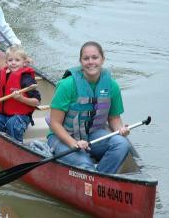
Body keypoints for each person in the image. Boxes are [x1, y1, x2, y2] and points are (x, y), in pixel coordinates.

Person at [47, 41, 131, 174]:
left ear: (102, 59)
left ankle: (102, 177)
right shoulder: (67, 85)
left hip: (93, 134)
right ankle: (91, 174)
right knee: (84, 163)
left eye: (95, 57)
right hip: (64, 137)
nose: (91, 62)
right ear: (81, 61)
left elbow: (114, 119)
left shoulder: (112, 86)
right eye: (86, 58)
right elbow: (55, 123)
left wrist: (121, 130)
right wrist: (73, 143)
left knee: (122, 144)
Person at [0, 45, 41, 142]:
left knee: (13, 124)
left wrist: (21, 98)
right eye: (10, 60)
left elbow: (37, 102)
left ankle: (17, 145)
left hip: (21, 116)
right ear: (6, 62)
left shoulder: (26, 79)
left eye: (17, 60)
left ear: (24, 63)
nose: (13, 63)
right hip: (3, 114)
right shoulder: (5, 74)